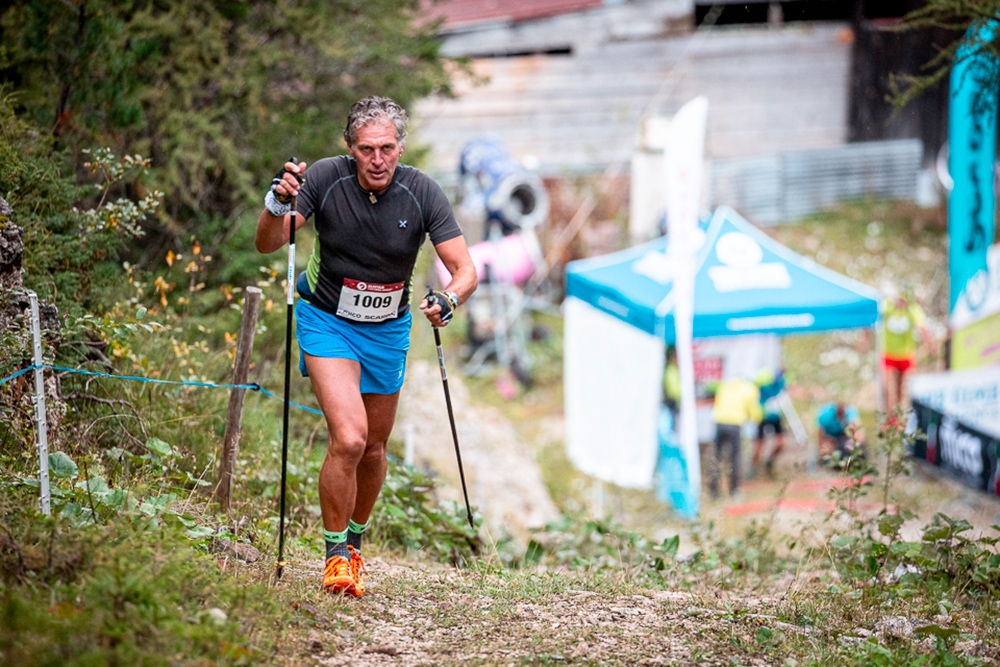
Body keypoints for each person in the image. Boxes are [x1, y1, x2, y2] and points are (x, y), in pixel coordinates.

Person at [255, 96, 478, 598]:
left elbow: (465, 271)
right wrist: (277, 203)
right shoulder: (324, 179)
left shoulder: (422, 192)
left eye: (387, 148)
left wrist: (448, 298)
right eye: (366, 149)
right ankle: (334, 556)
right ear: (350, 149)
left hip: (388, 329)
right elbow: (269, 243)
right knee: (351, 437)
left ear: (401, 147)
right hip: (327, 321)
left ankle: (354, 542)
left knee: (375, 448)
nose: (377, 159)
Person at [709, 376, 762, 498]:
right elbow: (753, 410)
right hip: (734, 424)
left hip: (719, 422)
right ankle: (734, 490)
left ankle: (713, 490)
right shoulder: (750, 389)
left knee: (716, 457)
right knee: (734, 457)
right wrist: (757, 418)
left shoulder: (726, 385)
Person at [881, 290, 931, 410]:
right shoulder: (887, 307)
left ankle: (898, 414)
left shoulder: (912, 309)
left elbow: (922, 326)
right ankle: (888, 413)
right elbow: (873, 316)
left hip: (906, 355)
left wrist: (929, 343)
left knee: (901, 388)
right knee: (887, 386)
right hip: (889, 354)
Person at [752, 368, 786, 478]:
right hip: (763, 416)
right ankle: (753, 469)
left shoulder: (781, 383)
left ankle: (769, 463)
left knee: (781, 443)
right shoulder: (763, 383)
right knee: (760, 443)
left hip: (776, 416)